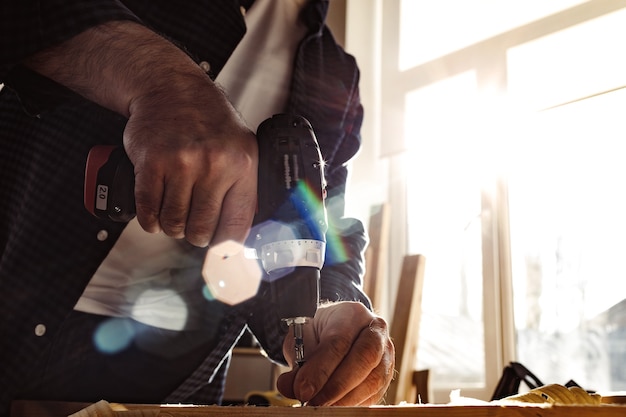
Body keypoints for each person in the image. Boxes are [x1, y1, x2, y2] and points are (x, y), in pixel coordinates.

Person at [0, 1, 395, 415]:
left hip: (183, 372)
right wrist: (161, 81)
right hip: (16, 320)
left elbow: (319, 222)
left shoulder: (334, 73)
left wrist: (326, 310)